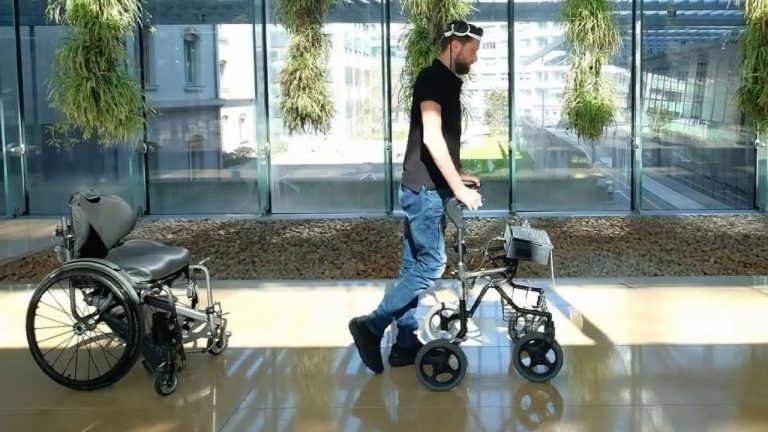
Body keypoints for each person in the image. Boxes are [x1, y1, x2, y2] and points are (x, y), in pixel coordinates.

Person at [349, 20, 484, 373]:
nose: (475, 57)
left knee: (412, 266)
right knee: (432, 265)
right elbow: (431, 138)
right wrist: (457, 189)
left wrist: (458, 172)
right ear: (454, 45)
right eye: (472, 49)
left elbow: (440, 145)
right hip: (425, 192)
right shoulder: (432, 79)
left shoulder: (447, 82)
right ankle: (370, 326)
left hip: (425, 187)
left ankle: (405, 345)